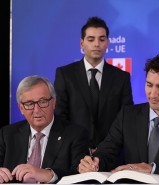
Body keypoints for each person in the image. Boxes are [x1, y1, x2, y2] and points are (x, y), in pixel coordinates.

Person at [78, 52, 159, 183]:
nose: (152, 94)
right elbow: (107, 151)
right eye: (149, 85)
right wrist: (95, 162)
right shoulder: (127, 115)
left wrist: (153, 169)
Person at [54, 16, 134, 148]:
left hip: (111, 152)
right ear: (82, 43)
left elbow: (126, 118)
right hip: (74, 151)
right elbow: (60, 116)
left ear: (107, 42)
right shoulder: (65, 74)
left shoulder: (121, 77)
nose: (97, 44)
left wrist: (107, 148)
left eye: (101, 39)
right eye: (91, 39)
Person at [0, 75, 90, 183]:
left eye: (42, 102)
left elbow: (82, 176)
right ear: (21, 108)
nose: (37, 110)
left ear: (54, 102)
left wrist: (49, 175)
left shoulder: (75, 134)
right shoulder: (7, 134)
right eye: (29, 104)